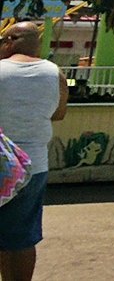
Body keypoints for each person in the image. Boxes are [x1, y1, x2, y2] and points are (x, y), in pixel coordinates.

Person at [0, 21, 68, 281]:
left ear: (10, 41)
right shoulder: (55, 74)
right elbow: (58, 114)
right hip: (32, 166)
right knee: (20, 238)